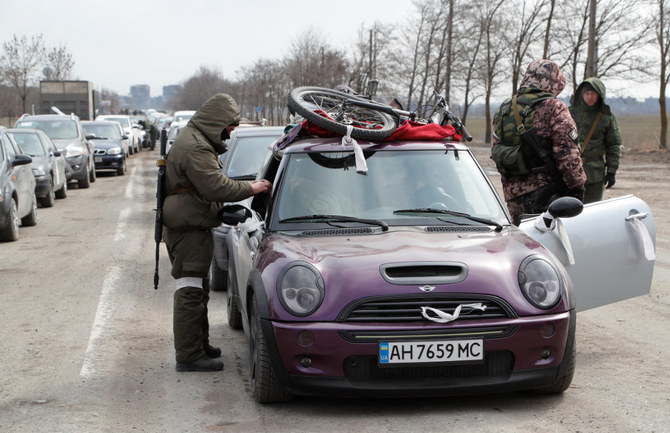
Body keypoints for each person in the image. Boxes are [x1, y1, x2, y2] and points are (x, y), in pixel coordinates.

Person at [162, 94, 272, 372]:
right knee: (190, 291)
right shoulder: (196, 148)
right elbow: (215, 187)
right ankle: (188, 356)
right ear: (217, 122)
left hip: (191, 225)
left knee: (199, 289)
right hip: (188, 229)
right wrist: (252, 188)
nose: (231, 132)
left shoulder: (195, 139)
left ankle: (198, 346)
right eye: (229, 127)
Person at [491, 59, 586, 225]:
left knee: (523, 243)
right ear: (552, 82)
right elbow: (567, 152)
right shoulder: (553, 107)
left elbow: (496, 150)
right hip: (549, 196)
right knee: (550, 246)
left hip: (513, 197)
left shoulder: (503, 110)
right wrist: (577, 188)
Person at [569, 77, 622, 203]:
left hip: (595, 173)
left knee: (593, 210)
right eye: (587, 93)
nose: (590, 97)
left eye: (593, 94)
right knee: (571, 210)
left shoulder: (606, 117)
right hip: (571, 171)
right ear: (582, 95)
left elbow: (613, 145)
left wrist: (611, 171)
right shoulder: (569, 113)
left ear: (599, 95)